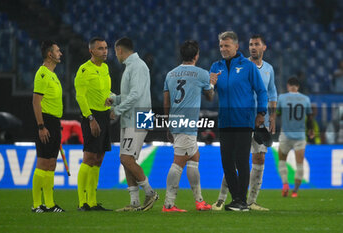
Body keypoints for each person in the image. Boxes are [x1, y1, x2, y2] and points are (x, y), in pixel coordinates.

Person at [212, 34, 277, 211]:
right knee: (226, 162)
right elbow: (210, 96)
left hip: (244, 121)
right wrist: (210, 86)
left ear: (235, 46)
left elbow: (262, 92)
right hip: (225, 121)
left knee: (241, 160)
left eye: (226, 46)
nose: (223, 49)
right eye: (220, 46)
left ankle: (242, 201)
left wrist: (261, 113)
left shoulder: (248, 66)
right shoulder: (216, 67)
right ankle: (237, 199)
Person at [161, 40, 219, 212]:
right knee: (178, 162)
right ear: (196, 55)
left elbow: (166, 102)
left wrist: (168, 125)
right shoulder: (201, 73)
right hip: (187, 122)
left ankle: (199, 201)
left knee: (194, 158)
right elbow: (210, 97)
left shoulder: (170, 74)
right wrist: (212, 83)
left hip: (176, 121)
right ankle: (168, 204)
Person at [106, 37, 158, 212]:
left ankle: (150, 192)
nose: (115, 55)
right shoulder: (132, 67)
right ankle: (134, 202)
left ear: (119, 50)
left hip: (139, 116)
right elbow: (131, 94)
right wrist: (115, 99)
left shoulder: (137, 66)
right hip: (133, 116)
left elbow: (135, 95)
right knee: (127, 159)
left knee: (126, 158)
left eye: (115, 51)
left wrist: (118, 109)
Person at [74, 37, 112, 211]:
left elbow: (105, 91)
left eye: (105, 48)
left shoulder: (105, 68)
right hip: (92, 116)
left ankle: (93, 201)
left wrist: (111, 103)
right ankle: (83, 202)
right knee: (89, 157)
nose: (104, 51)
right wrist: (90, 119)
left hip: (104, 115)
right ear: (91, 51)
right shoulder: (84, 70)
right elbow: (80, 97)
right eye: (100, 48)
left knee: (99, 158)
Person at [31, 40, 65, 212]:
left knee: (51, 163)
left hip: (54, 122)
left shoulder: (53, 74)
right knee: (42, 162)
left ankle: (50, 204)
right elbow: (36, 102)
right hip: (45, 121)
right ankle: (37, 204)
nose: (61, 53)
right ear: (50, 54)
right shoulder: (42, 74)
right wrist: (41, 126)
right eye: (58, 51)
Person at [277, 77, 313, 198]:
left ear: (288, 86)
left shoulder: (282, 97)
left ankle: (285, 184)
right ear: (298, 86)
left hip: (286, 135)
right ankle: (295, 192)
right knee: (300, 164)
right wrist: (311, 131)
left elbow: (277, 114)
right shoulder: (306, 99)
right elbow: (310, 117)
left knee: (282, 160)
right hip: (300, 136)